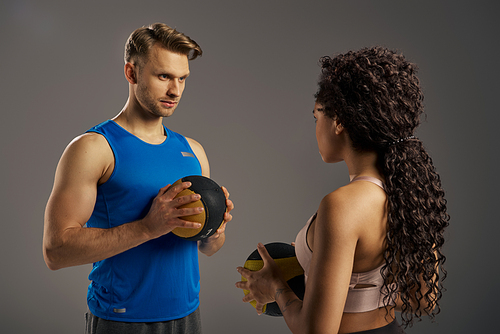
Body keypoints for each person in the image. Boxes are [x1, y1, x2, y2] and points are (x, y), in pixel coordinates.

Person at [236, 46, 448, 334]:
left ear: (338, 121)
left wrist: (275, 287)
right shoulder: (410, 192)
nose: (315, 128)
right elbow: (423, 300)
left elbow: (316, 330)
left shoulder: (343, 206)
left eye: (316, 117)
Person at [43, 23, 234, 334]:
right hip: (122, 319)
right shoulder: (94, 148)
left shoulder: (193, 152)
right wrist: (148, 227)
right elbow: (55, 250)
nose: (175, 90)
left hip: (187, 316)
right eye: (164, 77)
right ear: (131, 73)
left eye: (182, 78)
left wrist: (215, 228)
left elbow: (208, 247)